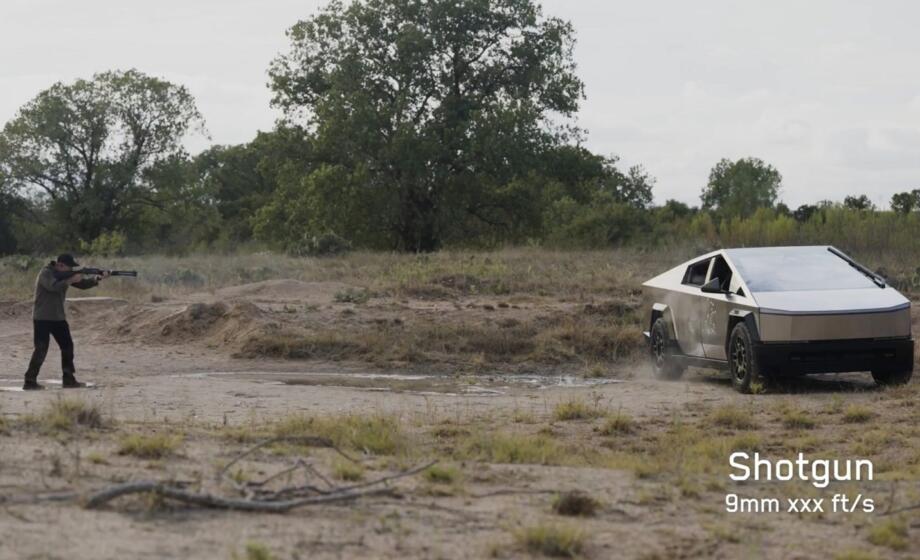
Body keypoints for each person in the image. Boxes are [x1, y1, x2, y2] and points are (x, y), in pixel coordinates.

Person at [23, 254, 110, 390]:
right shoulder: (45, 273)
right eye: (69, 267)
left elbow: (82, 284)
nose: (71, 270)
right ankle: (29, 381)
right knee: (41, 349)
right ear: (60, 265)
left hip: (58, 318)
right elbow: (53, 287)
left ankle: (68, 379)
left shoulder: (65, 275)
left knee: (67, 347)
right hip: (42, 318)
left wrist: (97, 278)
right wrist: (70, 280)